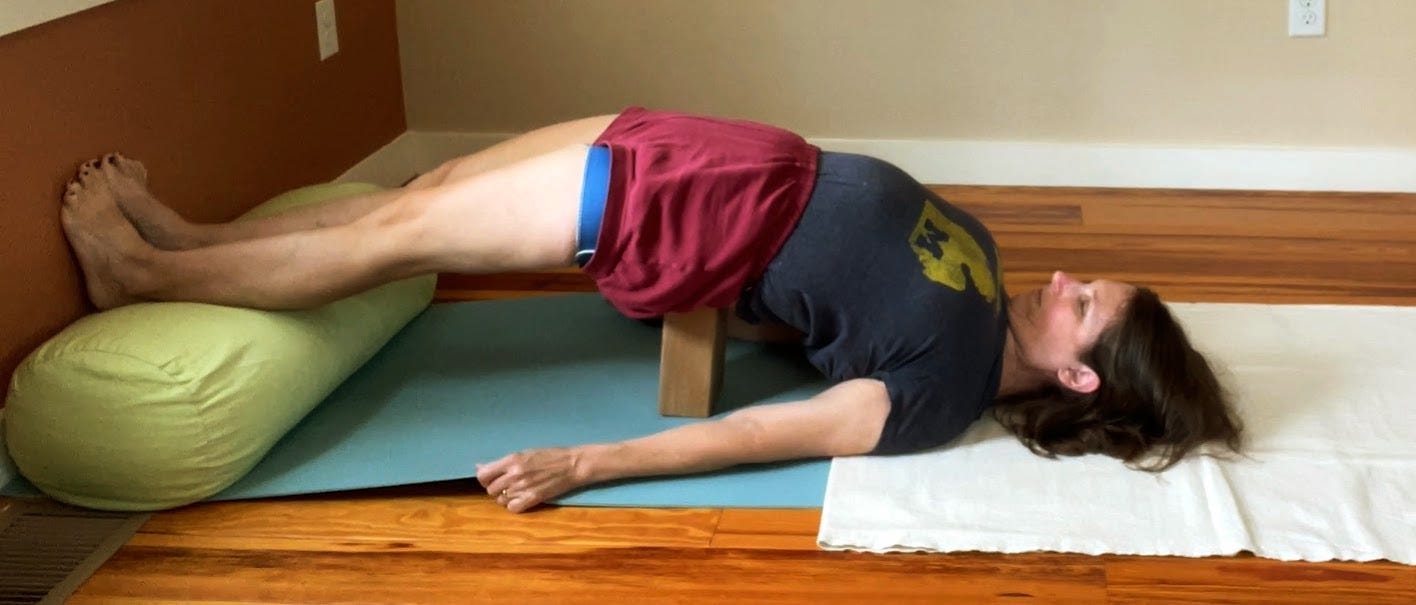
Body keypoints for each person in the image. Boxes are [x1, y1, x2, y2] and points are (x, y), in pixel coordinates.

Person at [60, 107, 1243, 514]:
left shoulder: (935, 397)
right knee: (421, 190)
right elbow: (809, 311)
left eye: (1086, 305)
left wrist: (589, 460)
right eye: (1088, 279)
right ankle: (196, 240)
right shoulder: (985, 268)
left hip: (676, 209)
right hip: (706, 151)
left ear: (1079, 374)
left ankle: (144, 278)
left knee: (390, 241)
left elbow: (766, 431)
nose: (1068, 280)